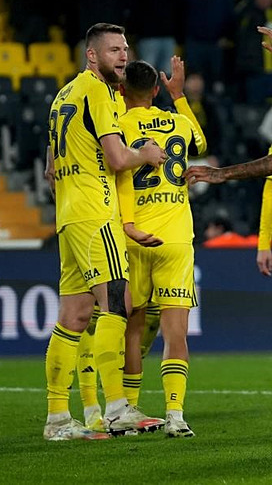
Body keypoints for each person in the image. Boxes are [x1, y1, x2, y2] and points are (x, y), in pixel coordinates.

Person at [43, 23, 167, 441]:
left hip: (69, 214)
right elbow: (116, 159)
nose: (123, 56)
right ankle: (117, 409)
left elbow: (50, 166)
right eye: (114, 49)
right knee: (118, 303)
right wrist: (144, 154)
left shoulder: (64, 94)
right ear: (92, 55)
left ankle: (58, 418)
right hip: (96, 212)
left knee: (75, 316)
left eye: (125, 49)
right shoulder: (97, 92)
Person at [116, 57, 207, 438]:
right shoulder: (179, 122)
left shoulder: (117, 124)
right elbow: (201, 143)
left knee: (133, 327)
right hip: (176, 236)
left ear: (122, 90)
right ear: (156, 90)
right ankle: (175, 415)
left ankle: (128, 409)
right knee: (175, 331)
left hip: (133, 235)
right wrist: (179, 96)